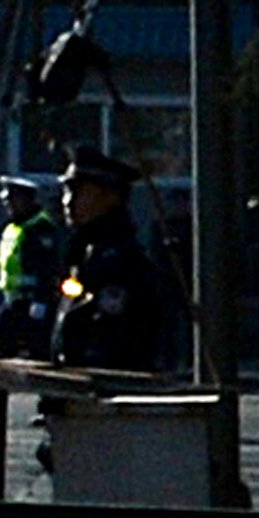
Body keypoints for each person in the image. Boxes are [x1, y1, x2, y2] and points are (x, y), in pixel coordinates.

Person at [51, 143, 184, 372]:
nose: (68, 202)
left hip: (105, 388)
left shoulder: (120, 260)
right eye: (66, 191)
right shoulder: (85, 251)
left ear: (111, 196)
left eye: (78, 191)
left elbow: (114, 340)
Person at [0, 174, 67, 357]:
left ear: (25, 200)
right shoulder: (13, 227)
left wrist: (41, 300)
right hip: (12, 299)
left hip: (31, 300)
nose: (8, 205)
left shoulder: (40, 228)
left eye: (12, 200)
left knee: (34, 347)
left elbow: (47, 267)